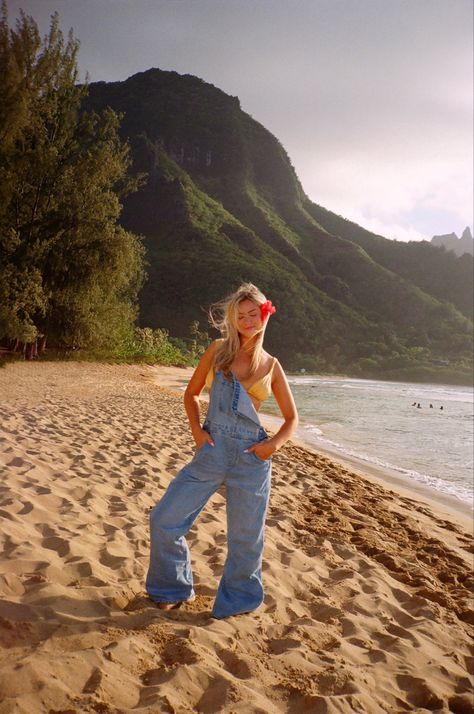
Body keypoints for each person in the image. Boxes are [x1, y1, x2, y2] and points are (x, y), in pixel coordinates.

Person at [146, 283, 299, 619]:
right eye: (240, 315)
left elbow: (291, 420)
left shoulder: (272, 366)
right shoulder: (217, 350)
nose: (246, 320)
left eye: (252, 314)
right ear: (233, 319)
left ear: (264, 315)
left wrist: (269, 448)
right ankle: (172, 588)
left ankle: (238, 603)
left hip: (251, 459)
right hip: (212, 451)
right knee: (164, 520)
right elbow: (191, 394)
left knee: (246, 540)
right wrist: (198, 434)